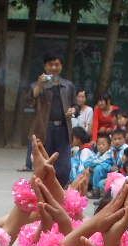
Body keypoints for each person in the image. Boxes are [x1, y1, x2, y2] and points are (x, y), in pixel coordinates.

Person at [31, 53, 76, 186]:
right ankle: (43, 189)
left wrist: (73, 110)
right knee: (44, 162)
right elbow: (31, 100)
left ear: (61, 66)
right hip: (45, 129)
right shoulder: (37, 85)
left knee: (64, 165)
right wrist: (40, 85)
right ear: (45, 66)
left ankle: (60, 188)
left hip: (63, 128)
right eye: (51, 65)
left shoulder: (68, 85)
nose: (54, 68)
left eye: (57, 64)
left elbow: (75, 105)